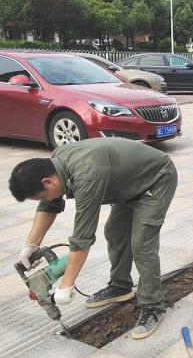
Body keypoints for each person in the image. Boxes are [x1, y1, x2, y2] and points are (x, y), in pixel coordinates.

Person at [9, 138, 177, 340]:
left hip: (156, 179)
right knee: (115, 232)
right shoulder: (55, 164)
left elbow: (82, 237)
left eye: (43, 195)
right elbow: (49, 206)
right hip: (129, 183)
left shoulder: (86, 176)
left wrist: (66, 286)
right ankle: (120, 286)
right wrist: (31, 244)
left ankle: (153, 305)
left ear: (48, 181)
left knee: (142, 244)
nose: (46, 200)